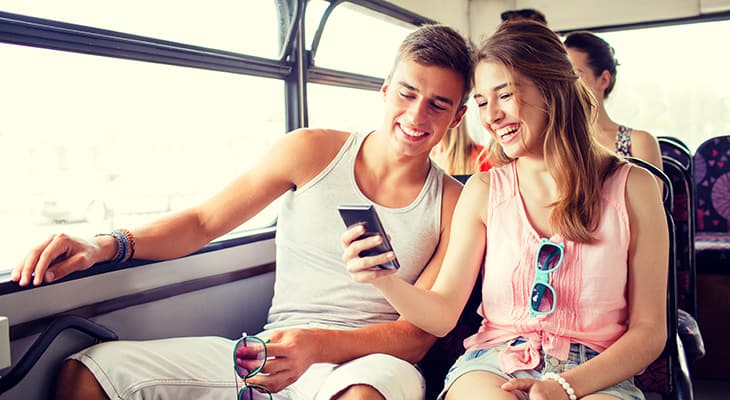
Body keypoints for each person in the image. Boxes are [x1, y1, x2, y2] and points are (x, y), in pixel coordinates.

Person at [11, 24, 474, 400]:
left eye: (438, 104)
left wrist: (316, 345)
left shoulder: (454, 202)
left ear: (456, 118)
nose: (417, 116)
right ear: (386, 89)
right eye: (407, 94)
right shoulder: (311, 151)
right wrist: (103, 245)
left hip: (369, 367)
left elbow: (416, 335)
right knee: (89, 372)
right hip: (272, 350)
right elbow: (203, 223)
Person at [343, 20, 668, 400]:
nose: (491, 116)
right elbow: (443, 313)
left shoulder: (635, 187)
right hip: (494, 364)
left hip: (598, 373)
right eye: (481, 102)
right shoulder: (482, 191)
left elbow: (650, 332)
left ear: (552, 91)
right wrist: (383, 279)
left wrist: (564, 386)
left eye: (505, 95)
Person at [564, 31, 663, 173]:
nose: (565, 83)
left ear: (604, 80)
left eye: (575, 74)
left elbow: (651, 195)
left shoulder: (639, 142)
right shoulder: (554, 142)